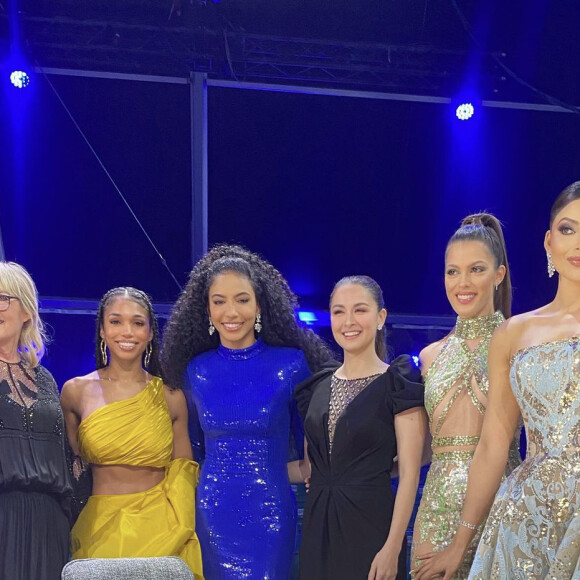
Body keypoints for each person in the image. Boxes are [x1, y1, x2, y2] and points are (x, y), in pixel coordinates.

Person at [414, 182, 580, 579]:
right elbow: (492, 444)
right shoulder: (514, 334)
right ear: (548, 242)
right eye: (568, 228)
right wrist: (460, 544)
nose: (577, 242)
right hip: (526, 520)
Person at [161, 244, 332, 580]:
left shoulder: (291, 364)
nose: (231, 312)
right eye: (219, 301)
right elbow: (193, 450)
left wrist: (302, 472)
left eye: (242, 299)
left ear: (258, 306)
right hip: (212, 511)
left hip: (270, 511)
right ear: (207, 311)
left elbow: (312, 443)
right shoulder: (195, 371)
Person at [61, 287, 203, 579]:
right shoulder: (74, 392)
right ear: (102, 329)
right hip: (97, 528)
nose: (127, 331)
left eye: (138, 323)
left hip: (162, 529)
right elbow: (72, 468)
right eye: (116, 321)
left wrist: (182, 531)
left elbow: (184, 474)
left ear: (150, 333)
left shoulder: (171, 396)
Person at [410, 214, 521, 577]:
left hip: (501, 507)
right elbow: (425, 446)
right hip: (435, 513)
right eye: (452, 272)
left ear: (498, 274)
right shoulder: (429, 356)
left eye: (476, 269)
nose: (463, 283)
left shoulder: (519, 347)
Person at [295, 275, 427, 580]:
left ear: (381, 317)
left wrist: (393, 547)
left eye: (360, 310)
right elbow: (313, 461)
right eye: (339, 311)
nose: (348, 321)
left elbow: (409, 475)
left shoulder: (398, 383)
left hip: (371, 524)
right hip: (318, 523)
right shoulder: (317, 385)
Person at [0, 261, 72, 580]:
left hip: (48, 520)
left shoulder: (45, 380)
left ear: (26, 311)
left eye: (3, 298)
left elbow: (65, 455)